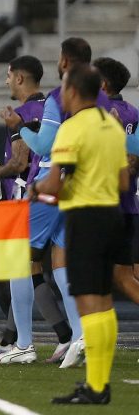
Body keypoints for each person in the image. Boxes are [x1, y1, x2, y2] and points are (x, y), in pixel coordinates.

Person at [3, 38, 108, 368]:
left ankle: (23, 344)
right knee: (64, 265)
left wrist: (21, 129)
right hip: (85, 186)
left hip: (53, 183)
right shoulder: (103, 99)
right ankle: (80, 337)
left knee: (19, 259)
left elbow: (46, 144)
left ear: (64, 62)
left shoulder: (59, 96)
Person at [32, 64, 127, 405]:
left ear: (72, 91)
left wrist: (36, 191)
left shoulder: (71, 130)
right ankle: (98, 385)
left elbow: (54, 188)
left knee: (90, 305)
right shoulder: (111, 125)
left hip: (85, 221)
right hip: (113, 216)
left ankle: (97, 387)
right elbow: (123, 182)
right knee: (104, 302)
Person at [0, 55, 72, 364]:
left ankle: (22, 342)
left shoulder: (32, 111)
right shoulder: (58, 105)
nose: (6, 81)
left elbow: (22, 161)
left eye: (9, 75)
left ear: (19, 78)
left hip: (34, 193)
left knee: (21, 266)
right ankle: (69, 336)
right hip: (63, 189)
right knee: (52, 269)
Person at [95, 57, 139, 302]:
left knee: (90, 278)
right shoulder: (134, 112)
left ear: (101, 84)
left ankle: (84, 336)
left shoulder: (95, 114)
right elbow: (134, 162)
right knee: (123, 276)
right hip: (129, 205)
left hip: (102, 207)